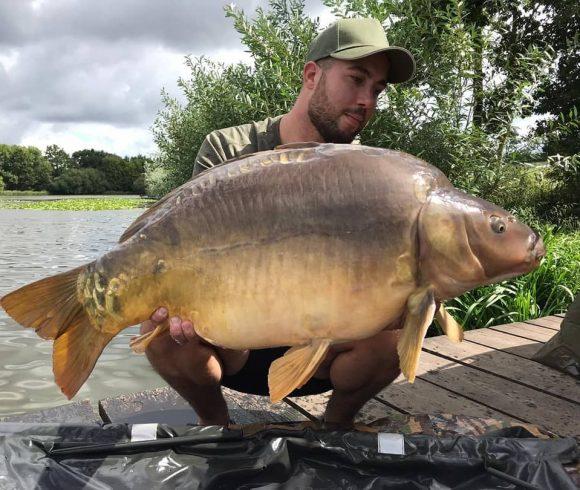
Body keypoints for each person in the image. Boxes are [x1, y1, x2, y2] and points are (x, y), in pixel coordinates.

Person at [141, 18, 416, 426]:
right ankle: (216, 426)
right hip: (236, 347)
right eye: (356, 79)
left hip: (326, 350)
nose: (366, 101)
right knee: (160, 331)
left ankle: (335, 426)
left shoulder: (371, 177)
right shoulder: (228, 149)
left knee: (400, 334)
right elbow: (188, 244)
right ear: (311, 75)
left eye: (376, 90)